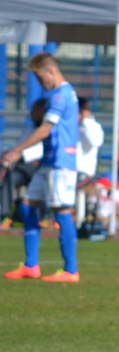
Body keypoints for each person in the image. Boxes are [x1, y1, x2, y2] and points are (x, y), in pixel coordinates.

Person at [2, 52, 80, 282]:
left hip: (61, 163)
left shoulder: (61, 95)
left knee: (62, 211)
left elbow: (45, 129)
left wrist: (17, 150)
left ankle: (70, 270)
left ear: (50, 72)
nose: (39, 83)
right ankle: (31, 266)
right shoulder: (58, 94)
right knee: (27, 206)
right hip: (49, 162)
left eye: (39, 78)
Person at [0, 99, 47, 230]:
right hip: (22, 167)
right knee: (9, 177)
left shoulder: (47, 130)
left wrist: (19, 155)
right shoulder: (29, 128)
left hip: (39, 168)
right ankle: (4, 215)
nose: (31, 113)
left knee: (42, 185)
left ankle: (43, 217)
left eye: (34, 110)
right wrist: (9, 154)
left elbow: (40, 150)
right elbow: (17, 147)